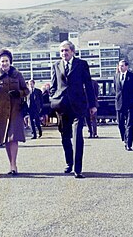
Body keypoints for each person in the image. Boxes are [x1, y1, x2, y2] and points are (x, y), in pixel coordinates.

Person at [50, 41, 97, 179]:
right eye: (62, 51)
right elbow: (53, 85)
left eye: (66, 50)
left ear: (72, 51)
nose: (64, 53)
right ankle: (69, 162)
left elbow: (88, 85)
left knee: (78, 136)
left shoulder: (81, 64)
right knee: (65, 137)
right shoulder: (56, 66)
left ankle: (78, 168)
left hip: (78, 106)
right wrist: (54, 98)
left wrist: (92, 105)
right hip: (62, 106)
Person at [0, 49, 29, 175]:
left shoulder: (17, 74)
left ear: (10, 62)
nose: (4, 63)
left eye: (6, 61)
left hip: (15, 110)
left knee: (13, 137)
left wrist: (19, 93)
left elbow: (26, 90)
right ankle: (10, 162)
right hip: (2, 112)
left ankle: (13, 164)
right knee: (6, 138)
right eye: (2, 61)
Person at [113, 60, 133, 151]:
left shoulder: (132, 76)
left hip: (129, 104)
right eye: (119, 66)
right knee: (120, 123)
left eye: (122, 66)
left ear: (126, 67)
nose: (120, 67)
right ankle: (125, 138)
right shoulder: (116, 76)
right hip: (119, 104)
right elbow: (116, 89)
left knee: (129, 124)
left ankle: (128, 144)